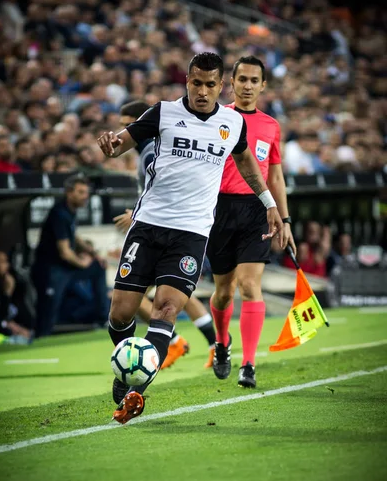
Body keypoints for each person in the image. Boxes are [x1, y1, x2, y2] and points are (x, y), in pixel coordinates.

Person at [97, 52, 285, 424]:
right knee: (121, 314)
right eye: (196, 83)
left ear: (221, 86)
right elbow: (123, 140)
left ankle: (135, 390)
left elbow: (246, 161)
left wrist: (269, 203)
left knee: (168, 309)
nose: (202, 91)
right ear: (187, 81)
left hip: (193, 232)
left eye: (210, 85)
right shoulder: (163, 112)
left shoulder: (231, 122)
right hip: (149, 226)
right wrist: (110, 144)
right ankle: (127, 367)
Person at [206, 55, 296, 388]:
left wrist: (284, 219)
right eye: (241, 79)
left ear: (262, 85)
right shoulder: (217, 117)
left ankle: (249, 364)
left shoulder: (271, 126)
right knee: (223, 294)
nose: (247, 85)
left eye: (253, 80)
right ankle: (221, 342)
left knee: (249, 286)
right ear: (231, 81)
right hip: (218, 210)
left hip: (257, 210)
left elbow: (275, 176)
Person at [113, 99, 217, 372]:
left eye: (129, 126)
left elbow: (162, 190)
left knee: (141, 301)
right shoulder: (149, 149)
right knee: (172, 296)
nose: (124, 132)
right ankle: (205, 343)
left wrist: (135, 214)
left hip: (168, 230)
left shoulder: (149, 150)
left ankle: (177, 341)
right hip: (169, 227)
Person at [31, 173, 110, 337]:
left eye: (86, 193)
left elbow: (73, 236)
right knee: (48, 312)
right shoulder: (59, 214)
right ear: (69, 192)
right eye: (80, 192)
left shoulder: (70, 211)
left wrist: (93, 254)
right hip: (51, 269)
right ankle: (41, 338)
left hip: (65, 269)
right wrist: (83, 263)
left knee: (98, 267)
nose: (85, 197)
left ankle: (103, 319)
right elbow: (65, 252)